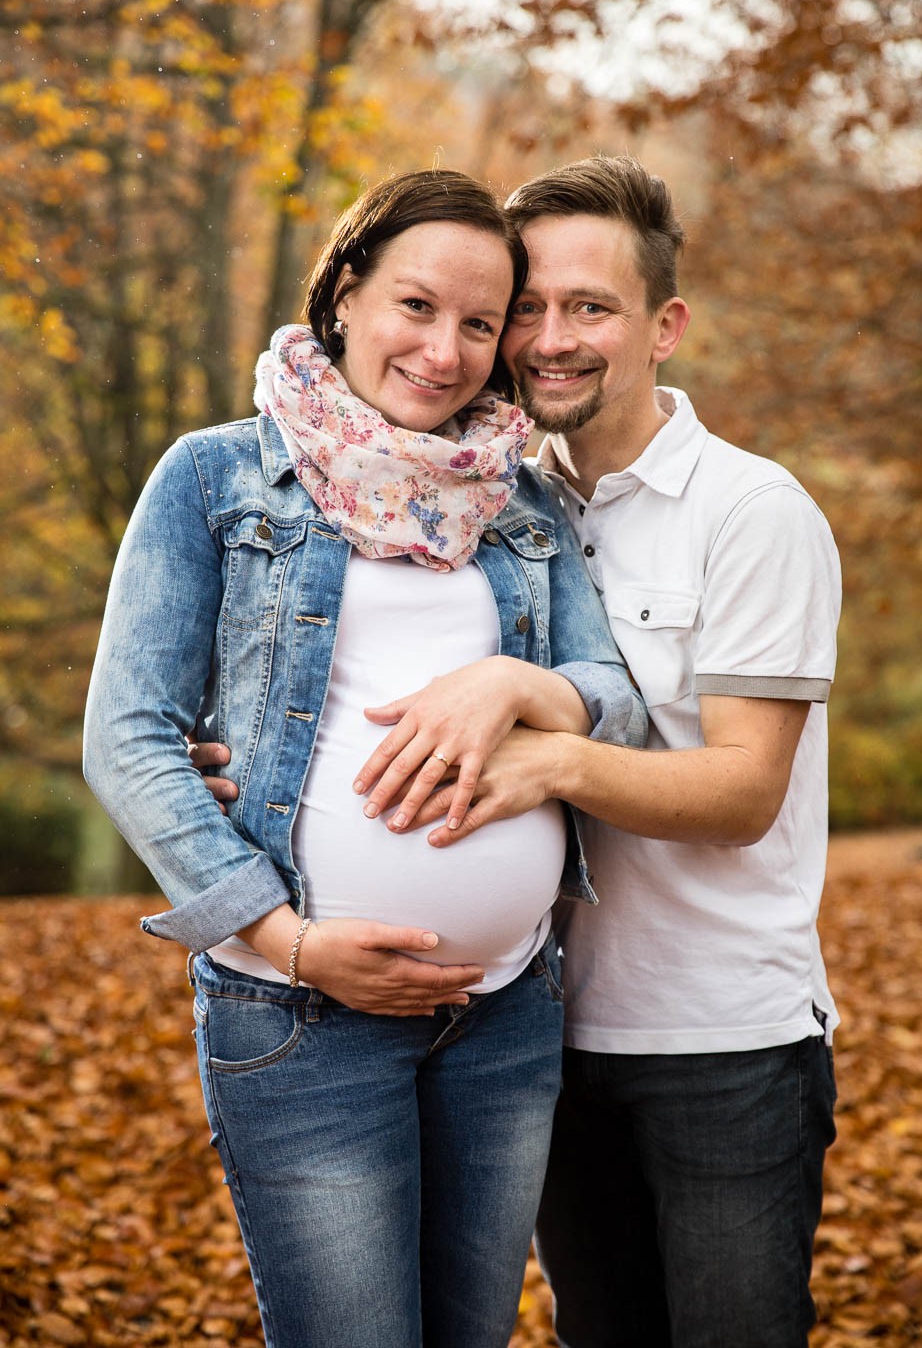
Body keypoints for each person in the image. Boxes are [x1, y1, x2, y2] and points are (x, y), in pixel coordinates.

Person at [83, 169, 647, 1348]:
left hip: (505, 1017)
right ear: (345, 292)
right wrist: (290, 942)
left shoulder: (520, 506)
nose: (445, 351)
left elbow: (618, 705)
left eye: (480, 325)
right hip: (302, 1014)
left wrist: (517, 685)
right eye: (416, 305)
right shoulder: (217, 475)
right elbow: (128, 736)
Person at [290, 156, 839, 1348]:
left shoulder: (752, 512)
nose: (549, 338)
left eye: (590, 307)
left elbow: (746, 789)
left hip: (720, 1041)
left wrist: (545, 751)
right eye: (525, 307)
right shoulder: (485, 498)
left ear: (664, 325)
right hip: (529, 1031)